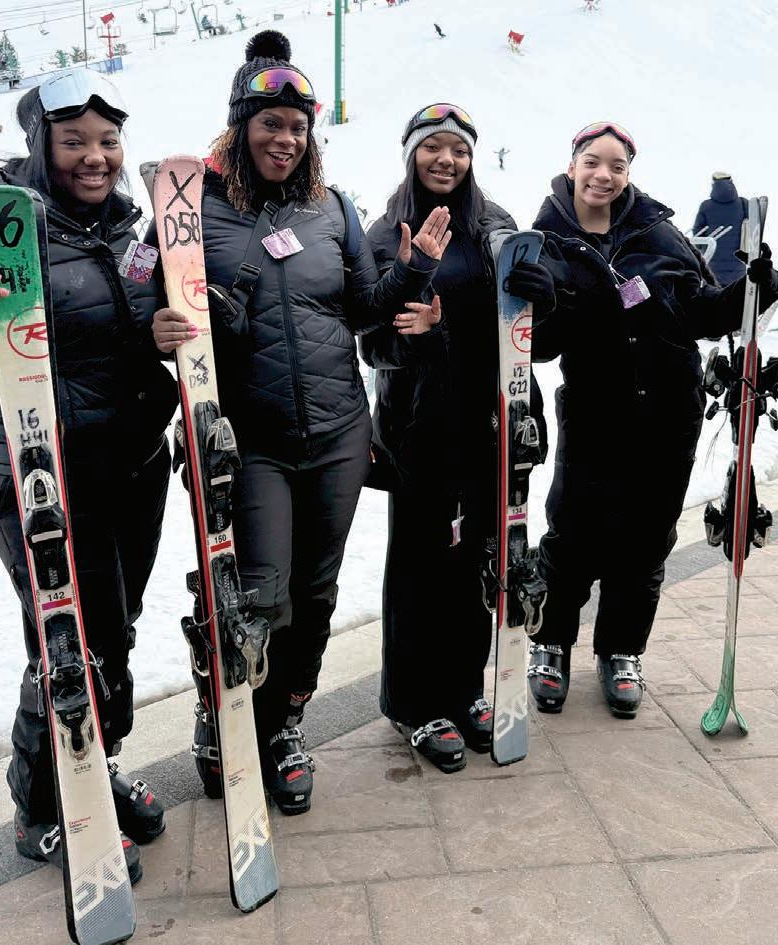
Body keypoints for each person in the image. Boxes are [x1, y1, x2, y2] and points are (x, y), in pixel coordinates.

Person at [150, 31, 448, 813]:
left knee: (314, 594)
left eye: (297, 126)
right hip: (251, 439)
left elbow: (364, 308)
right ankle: (223, 715)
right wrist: (161, 322)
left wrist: (414, 271)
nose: (285, 139)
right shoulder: (187, 210)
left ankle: (283, 724)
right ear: (239, 125)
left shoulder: (332, 207)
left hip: (339, 431)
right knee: (257, 595)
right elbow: (144, 304)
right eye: (269, 124)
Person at [0, 70, 178, 881]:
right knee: (67, 641)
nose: (95, 157)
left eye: (107, 141)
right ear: (38, 145)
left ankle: (95, 764)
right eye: (74, 142)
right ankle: (42, 806)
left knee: (112, 632)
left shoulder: (131, 229)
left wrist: (169, 331)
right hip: (34, 470)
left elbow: (141, 327)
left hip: (131, 462)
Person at [527, 121, 778, 719]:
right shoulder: (546, 241)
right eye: (593, 162)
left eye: (617, 166)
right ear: (571, 167)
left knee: (646, 538)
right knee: (574, 532)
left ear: (628, 174)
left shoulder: (660, 234)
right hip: (595, 411)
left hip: (670, 411)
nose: (604, 175)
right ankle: (551, 642)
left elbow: (705, 313)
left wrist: (754, 287)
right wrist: (537, 299)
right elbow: (536, 345)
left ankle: (621, 650)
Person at [360, 103, 551, 771]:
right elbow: (372, 341)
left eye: (459, 149)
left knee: (478, 559)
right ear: (410, 153)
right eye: (432, 147)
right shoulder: (385, 233)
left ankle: (467, 687)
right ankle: (414, 702)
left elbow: (523, 331)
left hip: (487, 418)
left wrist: (543, 292)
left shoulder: (494, 225)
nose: (446, 159)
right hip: (419, 424)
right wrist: (421, 335)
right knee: (421, 565)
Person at [692, 172, 746, 285]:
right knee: (736, 293)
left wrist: (701, 251)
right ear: (731, 182)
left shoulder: (706, 206)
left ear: (713, 184)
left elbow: (697, 235)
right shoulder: (743, 204)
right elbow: (752, 231)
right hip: (738, 266)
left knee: (715, 293)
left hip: (712, 267)